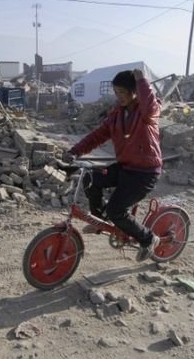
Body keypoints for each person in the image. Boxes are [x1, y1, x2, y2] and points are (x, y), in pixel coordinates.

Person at [63, 68, 162, 262]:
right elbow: (97, 135)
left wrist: (141, 80)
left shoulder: (146, 113)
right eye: (116, 93)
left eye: (123, 93)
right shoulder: (117, 114)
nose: (119, 97)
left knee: (116, 209)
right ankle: (100, 221)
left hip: (145, 173)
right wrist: (74, 151)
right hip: (125, 167)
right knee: (92, 178)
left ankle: (149, 238)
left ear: (135, 92)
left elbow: (150, 107)